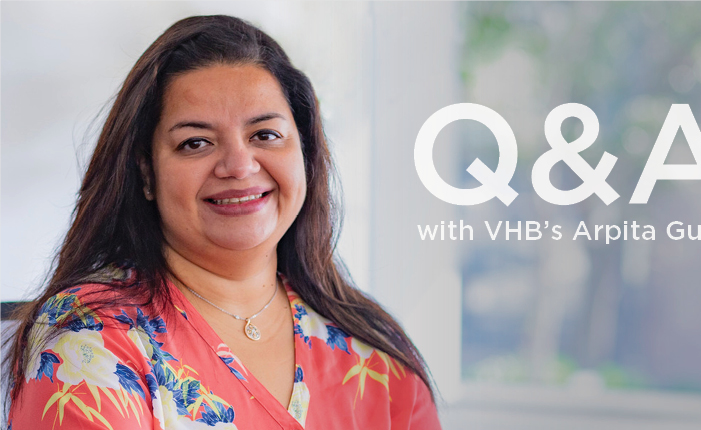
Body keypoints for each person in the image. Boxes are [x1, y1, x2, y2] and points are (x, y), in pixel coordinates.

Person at [4, 15, 441, 429]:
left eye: (265, 135)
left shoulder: (375, 353)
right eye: (195, 143)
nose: (238, 165)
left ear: (305, 153)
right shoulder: (88, 337)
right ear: (146, 174)